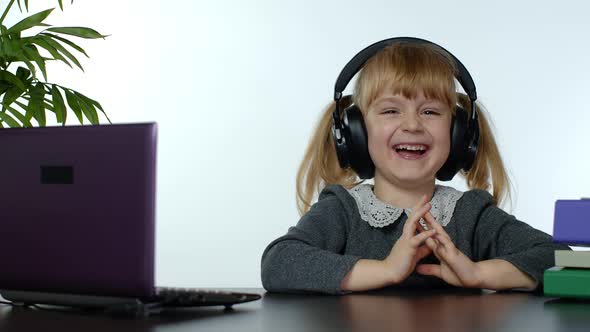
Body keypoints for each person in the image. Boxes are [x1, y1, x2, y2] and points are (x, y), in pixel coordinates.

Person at [260, 37, 569, 294]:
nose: (412, 125)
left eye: (431, 112)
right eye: (391, 110)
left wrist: (477, 273)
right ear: (356, 132)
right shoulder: (341, 210)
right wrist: (385, 270)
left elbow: (558, 259)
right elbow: (278, 263)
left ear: (459, 133)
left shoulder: (471, 214)